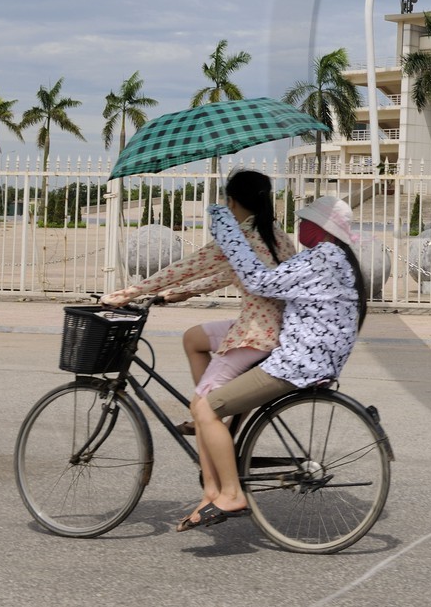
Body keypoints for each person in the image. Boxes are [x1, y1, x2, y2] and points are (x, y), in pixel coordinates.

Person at [177, 194, 368, 531]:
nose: (300, 225)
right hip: (311, 359)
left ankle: (230, 494)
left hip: (296, 364)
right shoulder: (338, 258)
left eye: (306, 221)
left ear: (322, 228)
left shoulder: (321, 257)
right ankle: (222, 440)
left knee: (205, 408)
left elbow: (259, 282)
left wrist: (227, 228)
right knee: (212, 393)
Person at [102, 169, 294, 428]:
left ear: (231, 202)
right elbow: (230, 274)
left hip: (254, 336)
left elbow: (184, 268)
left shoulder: (238, 239)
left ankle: (211, 422)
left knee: (203, 409)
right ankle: (223, 419)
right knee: (193, 338)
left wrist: (127, 294)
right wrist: (185, 292)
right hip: (276, 327)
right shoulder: (277, 235)